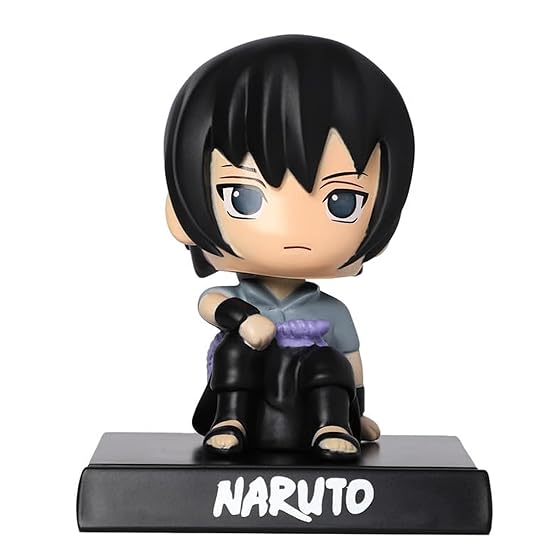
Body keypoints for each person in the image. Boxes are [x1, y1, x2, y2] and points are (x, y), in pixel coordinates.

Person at [164, 35, 414, 459]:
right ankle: (230, 419)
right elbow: (211, 305)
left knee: (330, 364)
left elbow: (351, 362)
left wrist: (357, 410)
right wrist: (244, 320)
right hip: (249, 379)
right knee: (236, 352)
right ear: (180, 215)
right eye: (243, 197)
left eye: (342, 201)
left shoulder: (331, 312)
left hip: (307, 390)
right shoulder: (238, 298)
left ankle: (333, 424)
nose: (295, 229)